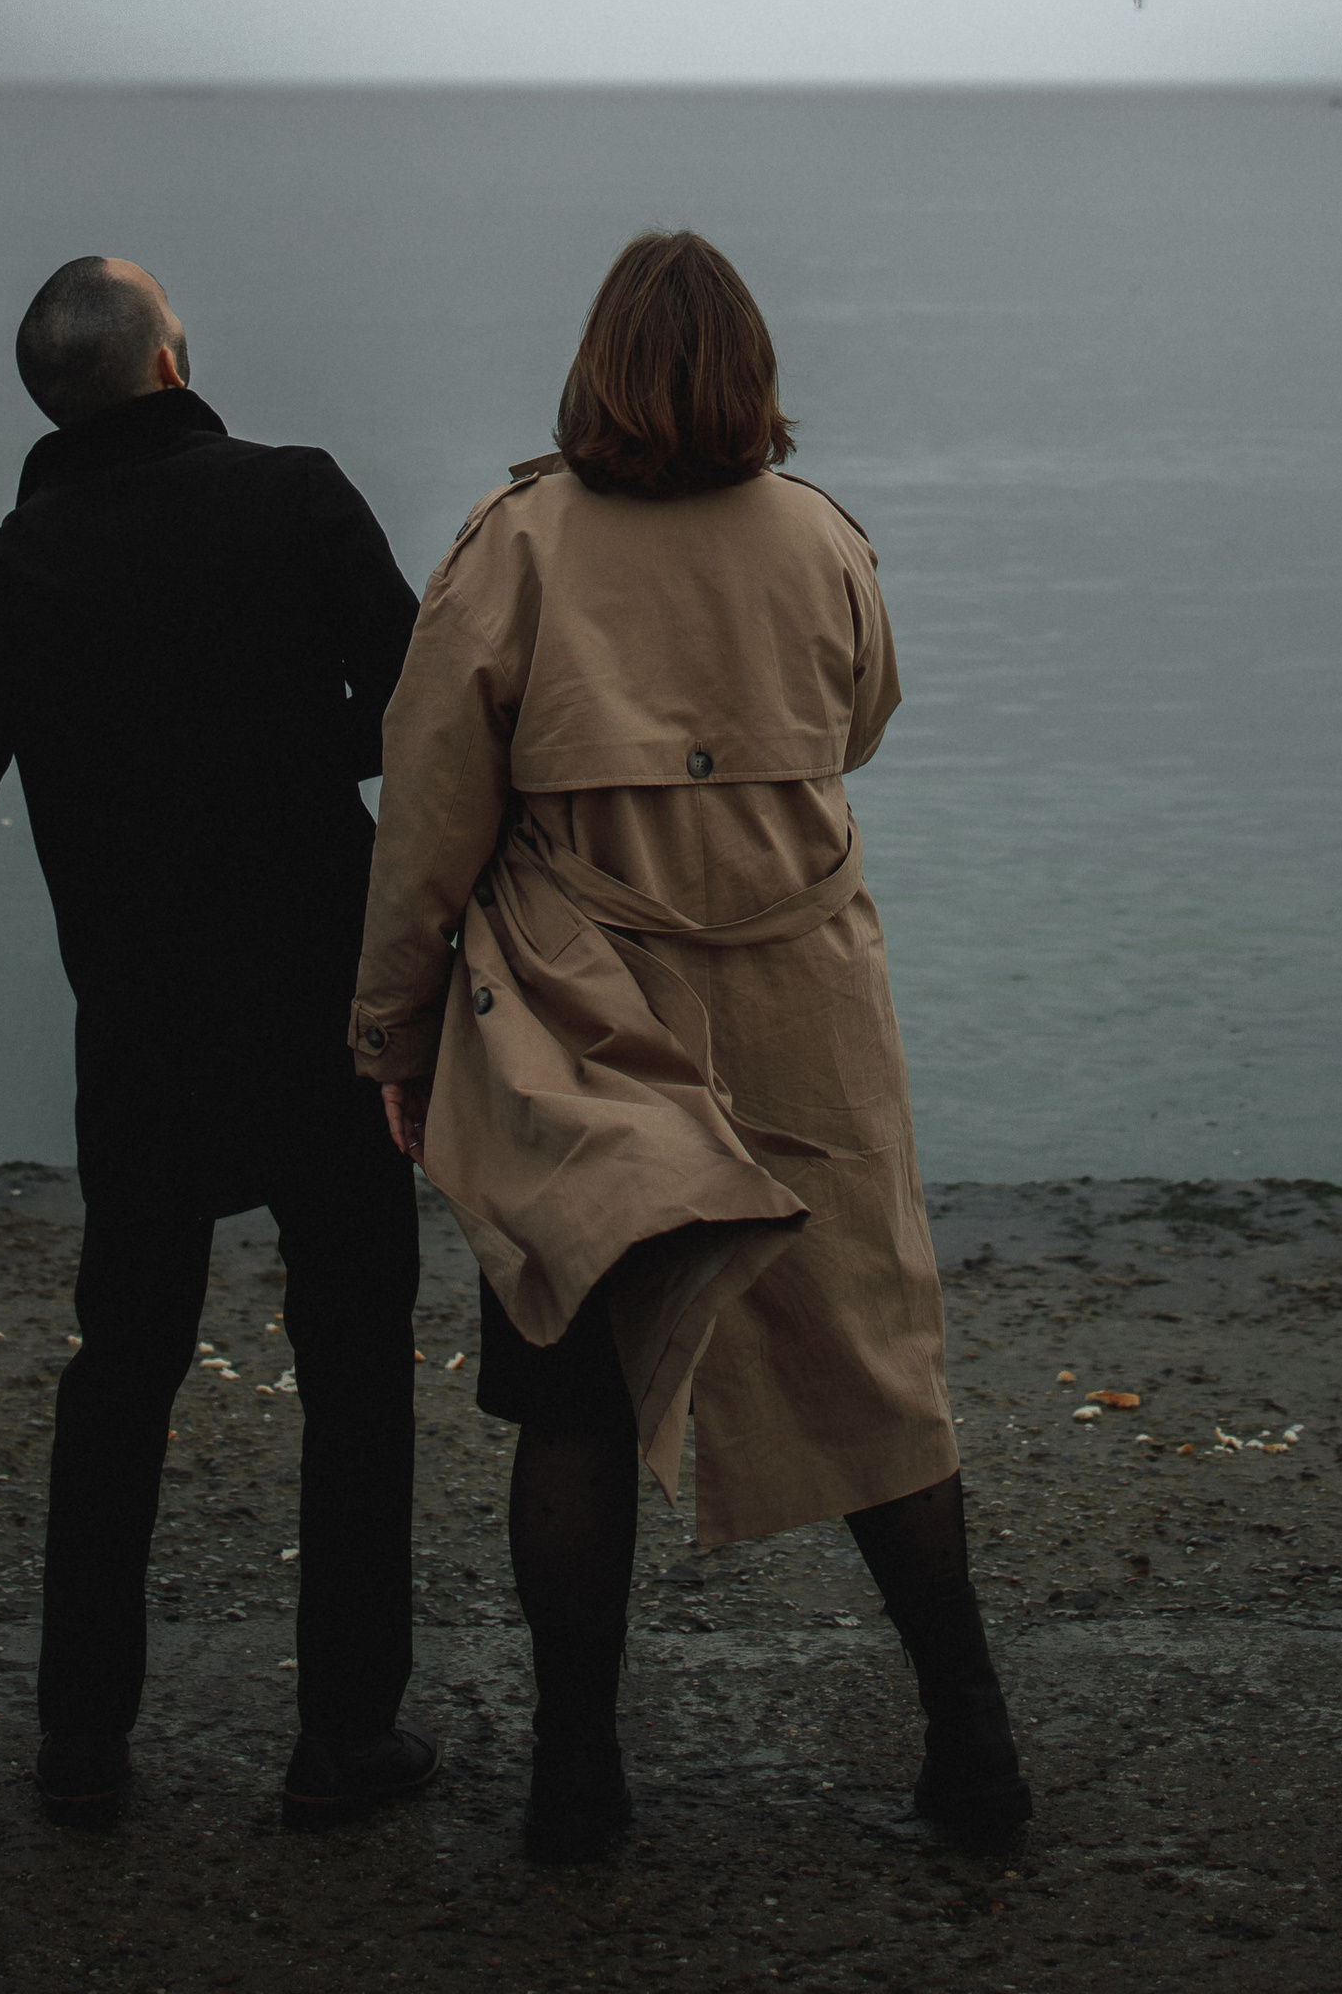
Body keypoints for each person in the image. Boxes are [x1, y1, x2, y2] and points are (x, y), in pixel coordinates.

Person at [350, 227, 1030, 1864]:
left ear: (597, 365)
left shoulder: (513, 545)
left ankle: (579, 1784)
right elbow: (863, 718)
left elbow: (430, 813)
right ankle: (976, 1752)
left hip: (584, 1020)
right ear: (754, 375)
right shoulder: (821, 538)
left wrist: (393, 1029)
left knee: (574, 1387)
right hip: (805, 1003)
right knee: (874, 1378)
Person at [0, 255, 436, 1832]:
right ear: (173, 358)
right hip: (329, 1022)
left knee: (121, 1371)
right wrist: (295, 744)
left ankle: (82, 1744)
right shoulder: (299, 498)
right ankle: (345, 1737)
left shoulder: (8, 571)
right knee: (352, 1371)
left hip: (140, 1034)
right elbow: (422, 723)